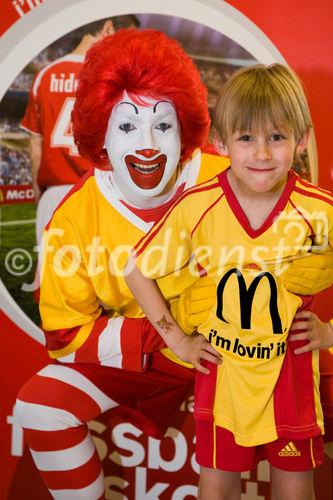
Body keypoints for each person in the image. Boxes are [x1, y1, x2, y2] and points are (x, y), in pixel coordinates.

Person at [125, 63, 333, 500]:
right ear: (221, 143)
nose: (261, 153)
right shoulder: (199, 206)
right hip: (223, 379)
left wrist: (330, 332)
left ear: (302, 139)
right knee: (217, 487)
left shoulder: (320, 210)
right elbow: (136, 270)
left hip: (291, 380)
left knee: (295, 491)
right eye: (246, 138)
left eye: (277, 137)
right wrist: (178, 341)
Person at [21, 15, 139, 245]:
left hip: (53, 195)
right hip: (98, 194)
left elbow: (35, 152)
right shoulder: (111, 80)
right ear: (108, 29)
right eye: (126, 40)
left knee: (51, 277)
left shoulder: (44, 76)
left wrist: (41, 200)